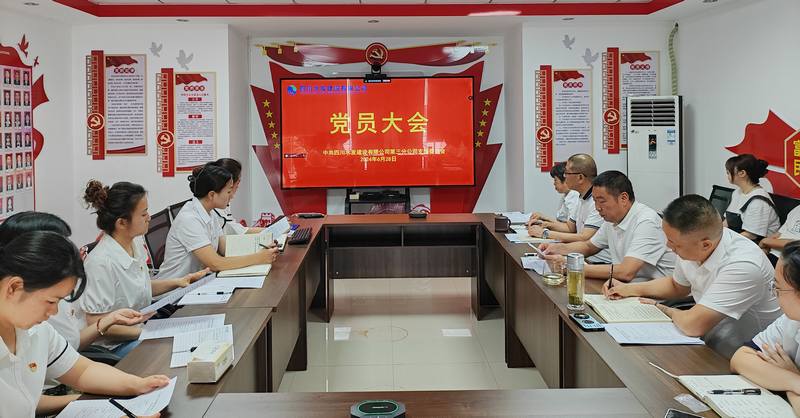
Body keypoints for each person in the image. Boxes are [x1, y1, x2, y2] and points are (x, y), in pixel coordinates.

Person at [0, 231, 170, 417]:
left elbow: (82, 371)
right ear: (14, 288)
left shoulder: (38, 331)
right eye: (51, 301)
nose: (54, 312)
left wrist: (137, 385)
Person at [604, 194, 780, 358]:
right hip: (714, 337)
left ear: (706, 245)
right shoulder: (694, 246)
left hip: (754, 353)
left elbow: (693, 325)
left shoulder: (743, 265)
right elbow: (677, 286)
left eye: (674, 243)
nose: (668, 246)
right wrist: (628, 289)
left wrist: (662, 309)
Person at [81, 180, 209, 357]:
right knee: (177, 350)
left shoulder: (133, 244)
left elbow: (139, 286)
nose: (149, 217)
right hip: (113, 346)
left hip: (139, 330)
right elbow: (97, 324)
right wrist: (148, 333)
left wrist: (179, 282)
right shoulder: (100, 263)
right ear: (121, 223)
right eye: (143, 214)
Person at [0, 211, 149, 352]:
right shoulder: (37, 303)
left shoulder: (51, 293)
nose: (54, 310)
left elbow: (69, 351)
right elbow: (70, 347)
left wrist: (110, 319)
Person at [540, 170, 675, 281]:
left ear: (623, 198)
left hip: (659, 297)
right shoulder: (612, 220)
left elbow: (626, 272)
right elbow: (589, 246)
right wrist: (557, 248)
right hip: (630, 287)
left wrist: (572, 267)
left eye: (602, 201)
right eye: (595, 201)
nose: (597, 207)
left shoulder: (646, 222)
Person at [157, 162, 279, 279]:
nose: (232, 196)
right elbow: (215, 263)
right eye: (228, 191)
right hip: (176, 290)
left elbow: (224, 246)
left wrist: (260, 248)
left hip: (198, 281)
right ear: (211, 195)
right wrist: (258, 258)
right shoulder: (189, 219)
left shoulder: (209, 212)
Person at [731, 241, 800, 415]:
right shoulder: (791, 319)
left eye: (778, 288)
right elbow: (741, 358)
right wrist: (794, 380)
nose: (774, 293)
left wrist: (787, 376)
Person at [527, 154, 611, 263]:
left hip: (598, 262)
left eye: (567, 173)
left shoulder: (596, 202)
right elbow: (570, 227)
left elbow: (585, 237)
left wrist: (545, 233)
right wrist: (546, 225)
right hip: (583, 257)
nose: (564, 176)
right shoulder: (580, 196)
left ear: (580, 177)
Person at [723, 154, 780, 242]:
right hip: (738, 237)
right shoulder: (737, 192)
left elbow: (751, 235)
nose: (727, 175)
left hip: (755, 243)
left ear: (742, 173)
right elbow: (727, 221)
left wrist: (725, 241)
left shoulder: (758, 201)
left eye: (728, 172)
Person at [214, 158, 264, 235]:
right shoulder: (215, 207)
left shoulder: (220, 204)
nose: (231, 197)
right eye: (228, 191)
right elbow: (236, 231)